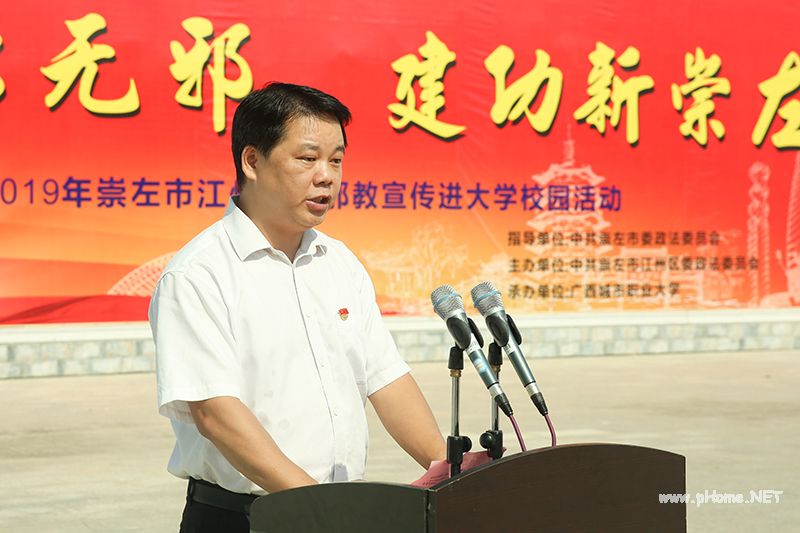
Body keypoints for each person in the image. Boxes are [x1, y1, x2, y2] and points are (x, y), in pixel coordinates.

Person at [149, 82, 446, 532]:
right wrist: (319, 507)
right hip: (244, 518)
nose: (326, 176)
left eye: (336, 160)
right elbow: (215, 413)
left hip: (334, 513)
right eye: (308, 158)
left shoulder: (339, 262)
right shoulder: (198, 274)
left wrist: (447, 468)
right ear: (252, 161)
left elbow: (386, 378)